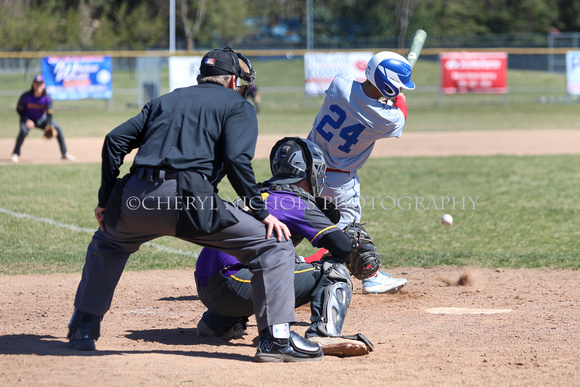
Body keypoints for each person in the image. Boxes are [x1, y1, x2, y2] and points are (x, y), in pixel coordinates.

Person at [66, 47, 323, 363]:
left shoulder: (165, 100)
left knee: (108, 243)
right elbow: (236, 161)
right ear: (231, 81)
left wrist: (107, 200)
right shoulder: (237, 105)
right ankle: (276, 340)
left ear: (203, 76)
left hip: (135, 197)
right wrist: (261, 212)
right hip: (191, 200)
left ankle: (83, 329)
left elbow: (115, 141)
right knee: (274, 245)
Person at [194, 137, 373, 357]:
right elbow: (343, 248)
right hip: (234, 286)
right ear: (308, 172)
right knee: (334, 271)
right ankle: (324, 334)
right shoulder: (295, 200)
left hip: (206, 287)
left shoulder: (258, 195)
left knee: (275, 263)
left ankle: (216, 324)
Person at [307, 51, 414, 294]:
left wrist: (386, 95)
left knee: (294, 223)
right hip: (338, 180)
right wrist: (399, 98)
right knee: (348, 233)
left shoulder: (339, 84)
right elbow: (401, 114)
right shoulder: (386, 119)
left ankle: (270, 267)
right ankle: (371, 277)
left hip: (304, 168)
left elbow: (359, 90)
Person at [11, 74, 75, 163]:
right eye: (36, 83)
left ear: (44, 85)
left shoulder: (47, 99)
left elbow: (49, 114)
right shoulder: (25, 96)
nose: (38, 86)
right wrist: (26, 120)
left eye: (40, 84)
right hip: (27, 119)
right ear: (33, 84)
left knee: (58, 129)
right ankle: (15, 154)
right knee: (23, 131)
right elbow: (19, 109)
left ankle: (64, 153)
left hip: (41, 120)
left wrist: (48, 125)